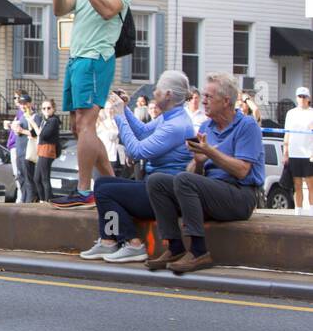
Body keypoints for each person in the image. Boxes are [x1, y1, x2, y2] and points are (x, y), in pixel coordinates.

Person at [145, 72, 264, 274]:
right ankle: (175, 247)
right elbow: (193, 173)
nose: (203, 101)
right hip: (212, 191)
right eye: (204, 96)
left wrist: (210, 152)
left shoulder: (247, 126)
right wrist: (199, 162)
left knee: (184, 180)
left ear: (226, 101)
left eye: (209, 97)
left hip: (240, 195)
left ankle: (199, 251)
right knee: (157, 181)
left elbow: (243, 171)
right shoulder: (206, 126)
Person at [80, 71, 196, 263]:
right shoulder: (170, 117)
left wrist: (119, 116)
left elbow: (137, 150)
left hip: (164, 195)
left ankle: (133, 243)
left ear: (168, 94)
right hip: (156, 187)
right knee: (102, 184)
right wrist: (124, 109)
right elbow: (142, 131)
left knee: (106, 191)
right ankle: (109, 240)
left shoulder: (176, 125)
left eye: (157, 88)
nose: (154, 92)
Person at [51, 0, 132, 207]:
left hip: (96, 58)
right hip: (76, 59)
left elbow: (109, 10)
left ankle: (84, 190)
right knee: (78, 127)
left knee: (87, 124)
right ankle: (112, 184)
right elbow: (59, 9)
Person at [283, 87, 313, 216]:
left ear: (308, 98)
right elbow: (287, 133)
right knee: (297, 185)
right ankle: (298, 212)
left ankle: (311, 211)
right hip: (295, 152)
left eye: (304, 96)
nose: (301, 99)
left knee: (311, 184)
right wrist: (286, 152)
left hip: (309, 152)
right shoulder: (291, 113)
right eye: (299, 96)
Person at [7, 93, 37, 203]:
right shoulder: (22, 116)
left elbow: (35, 133)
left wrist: (21, 131)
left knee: (28, 179)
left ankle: (29, 202)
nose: (23, 106)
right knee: (20, 178)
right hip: (19, 150)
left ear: (30, 104)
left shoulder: (34, 116)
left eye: (25, 103)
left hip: (27, 152)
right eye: (21, 104)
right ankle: (24, 200)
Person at [32, 100, 61, 203]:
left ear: (53, 109)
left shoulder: (53, 121)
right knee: (36, 179)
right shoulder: (45, 120)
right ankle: (43, 200)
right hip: (42, 150)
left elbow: (44, 135)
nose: (46, 110)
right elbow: (34, 134)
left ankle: (47, 200)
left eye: (49, 108)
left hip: (48, 150)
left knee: (44, 178)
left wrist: (34, 125)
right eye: (44, 108)